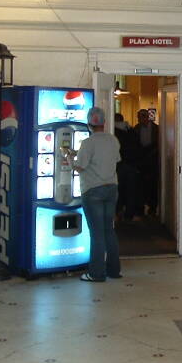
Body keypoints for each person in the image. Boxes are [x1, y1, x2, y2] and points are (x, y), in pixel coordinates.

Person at [67, 106, 122, 282]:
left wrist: (68, 159)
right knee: (109, 231)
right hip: (111, 189)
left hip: (93, 191)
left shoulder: (88, 143)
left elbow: (80, 166)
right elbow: (113, 159)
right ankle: (114, 270)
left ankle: (96, 273)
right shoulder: (113, 140)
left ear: (89, 124)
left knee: (96, 233)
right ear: (104, 122)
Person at [132, 108, 159, 218]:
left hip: (153, 160)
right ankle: (140, 208)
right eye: (139, 117)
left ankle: (152, 208)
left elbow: (159, 143)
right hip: (140, 161)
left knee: (153, 186)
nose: (140, 119)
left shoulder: (157, 129)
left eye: (142, 116)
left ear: (147, 117)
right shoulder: (136, 129)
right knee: (140, 186)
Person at [113, 113, 140, 223]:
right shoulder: (132, 130)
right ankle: (129, 214)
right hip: (132, 165)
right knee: (131, 191)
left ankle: (118, 212)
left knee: (118, 190)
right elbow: (137, 147)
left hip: (118, 165)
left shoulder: (113, 132)